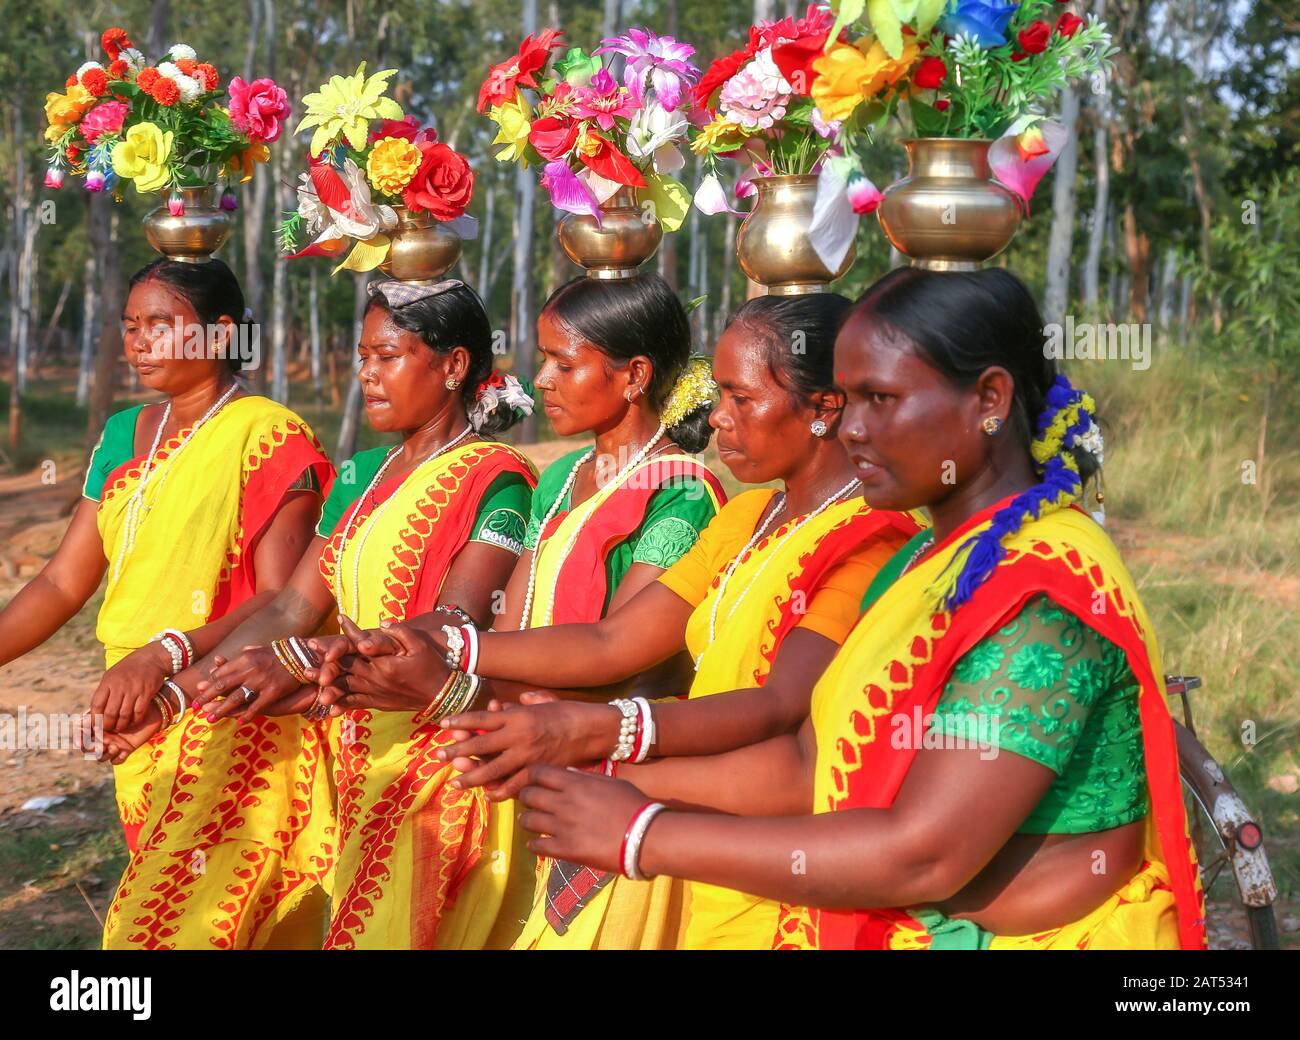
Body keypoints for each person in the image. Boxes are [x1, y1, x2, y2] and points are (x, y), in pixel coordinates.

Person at [506, 267, 1206, 951]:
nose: (853, 429)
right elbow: (809, 765)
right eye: (846, 399)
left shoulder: (1045, 596)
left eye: (881, 399)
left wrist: (643, 834)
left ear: (989, 399)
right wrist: (601, 775)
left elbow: (925, 854)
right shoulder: (927, 559)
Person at [415, 293, 921, 949]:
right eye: (720, 397)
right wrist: (449, 649)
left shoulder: (869, 538)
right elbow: (615, 638)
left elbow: (778, 708)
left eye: (742, 399)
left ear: (824, 410)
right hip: (684, 834)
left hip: (767, 859)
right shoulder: (745, 519)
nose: (718, 420)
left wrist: (599, 745)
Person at [310, 273, 728, 949]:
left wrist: (450, 671)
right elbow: (513, 629)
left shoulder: (683, 493)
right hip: (536, 767)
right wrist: (406, 663)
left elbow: (616, 653)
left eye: (566, 363)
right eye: (543, 361)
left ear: (634, 375)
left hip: (617, 780)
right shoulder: (561, 479)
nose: (541, 382)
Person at [188, 279, 537, 950]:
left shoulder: (496, 476)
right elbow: (295, 602)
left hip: (441, 760)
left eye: (387, 356)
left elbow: (456, 624)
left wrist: (299, 661)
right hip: (358, 754)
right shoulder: (364, 474)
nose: (366, 374)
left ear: (454, 365)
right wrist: (193, 684)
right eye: (362, 355)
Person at [0, 257, 336, 949]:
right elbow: (63, 581)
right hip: (128, 707)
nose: (140, 341)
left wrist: (167, 658)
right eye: (131, 326)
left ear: (218, 335)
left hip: (222, 703)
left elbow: (284, 601)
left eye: (161, 324)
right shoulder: (123, 435)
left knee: (178, 927)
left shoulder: (270, 435)